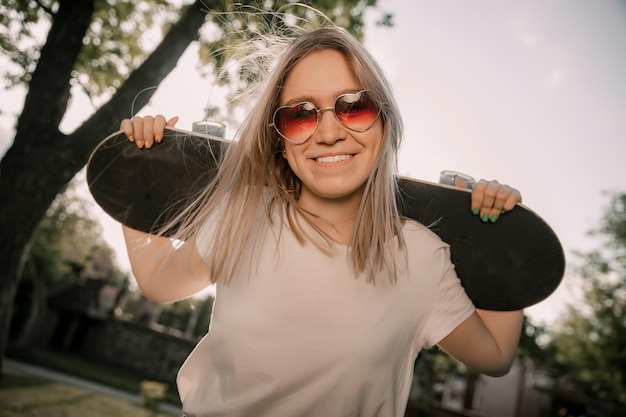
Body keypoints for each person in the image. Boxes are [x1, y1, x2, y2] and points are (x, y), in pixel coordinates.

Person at [120, 26, 523, 417]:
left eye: (354, 106)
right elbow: (160, 282)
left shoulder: (419, 256)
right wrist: (141, 176)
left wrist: (502, 238)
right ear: (279, 140)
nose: (328, 133)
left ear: (385, 123)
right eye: (300, 115)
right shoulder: (244, 214)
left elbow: (496, 356)